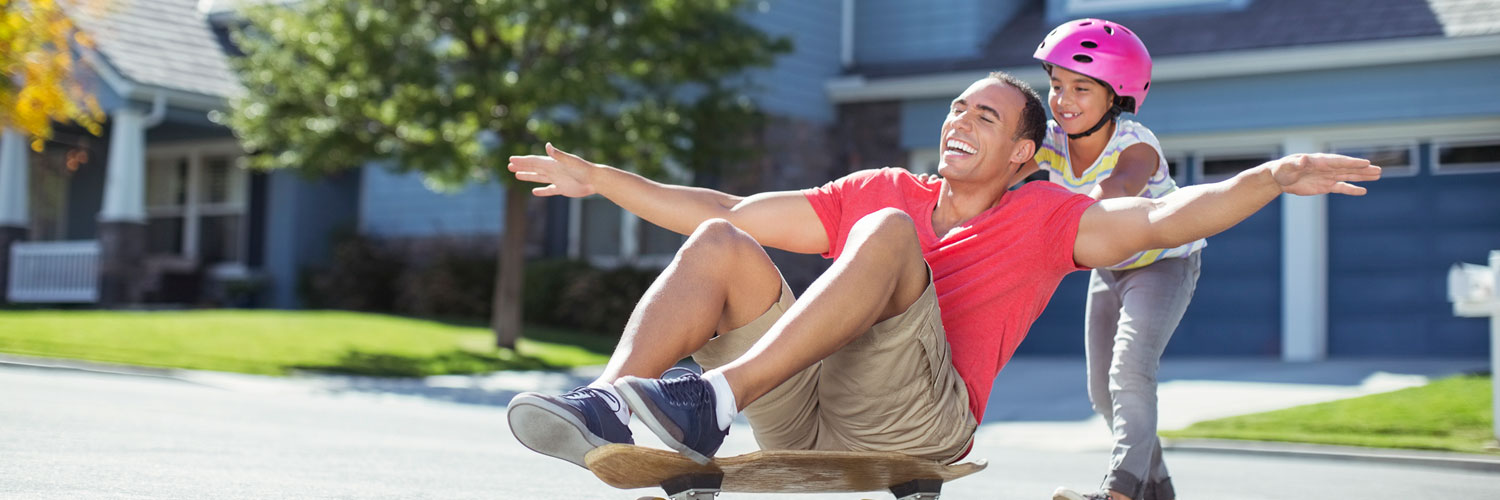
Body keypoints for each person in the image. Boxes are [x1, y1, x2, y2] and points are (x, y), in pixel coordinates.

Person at [502, 71, 1379, 477]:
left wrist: (1267, 177)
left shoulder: (1046, 216)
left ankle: (711, 401)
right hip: (805, 394)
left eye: (987, 114)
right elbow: (729, 209)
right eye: (958, 106)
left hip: (921, 414)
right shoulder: (888, 187)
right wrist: (601, 181)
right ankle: (617, 407)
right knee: (725, 245)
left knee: (884, 233)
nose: (962, 117)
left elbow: (1157, 220)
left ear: (1023, 152)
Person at [1020, 18, 1199, 500]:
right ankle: (1159, 491)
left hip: (1164, 263)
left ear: (1117, 97)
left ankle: (1117, 492)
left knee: (1130, 373)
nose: (1063, 99)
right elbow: (1010, 170)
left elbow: (1118, 189)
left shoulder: (1135, 145)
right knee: (1103, 393)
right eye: (1056, 85)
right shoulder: (1053, 142)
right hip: (1110, 268)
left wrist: (1067, 217)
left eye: (1081, 87)